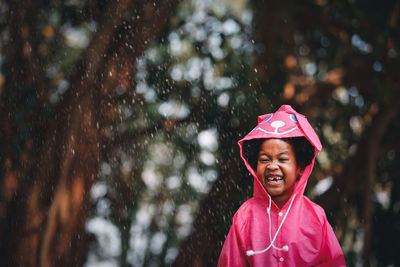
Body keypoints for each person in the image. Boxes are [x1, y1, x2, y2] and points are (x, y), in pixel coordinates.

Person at [218, 105, 345, 266]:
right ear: (255, 167)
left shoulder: (316, 217)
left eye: (282, 159)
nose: (272, 166)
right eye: (264, 159)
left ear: (300, 168)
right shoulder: (244, 217)